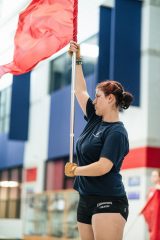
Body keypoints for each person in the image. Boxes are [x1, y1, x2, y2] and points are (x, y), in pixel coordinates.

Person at [65, 40, 133, 240]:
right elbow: (80, 91)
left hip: (109, 199)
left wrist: (75, 170)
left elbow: (103, 166)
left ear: (110, 99)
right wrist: (77, 61)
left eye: (98, 97)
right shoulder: (95, 118)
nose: (94, 101)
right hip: (85, 198)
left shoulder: (117, 133)